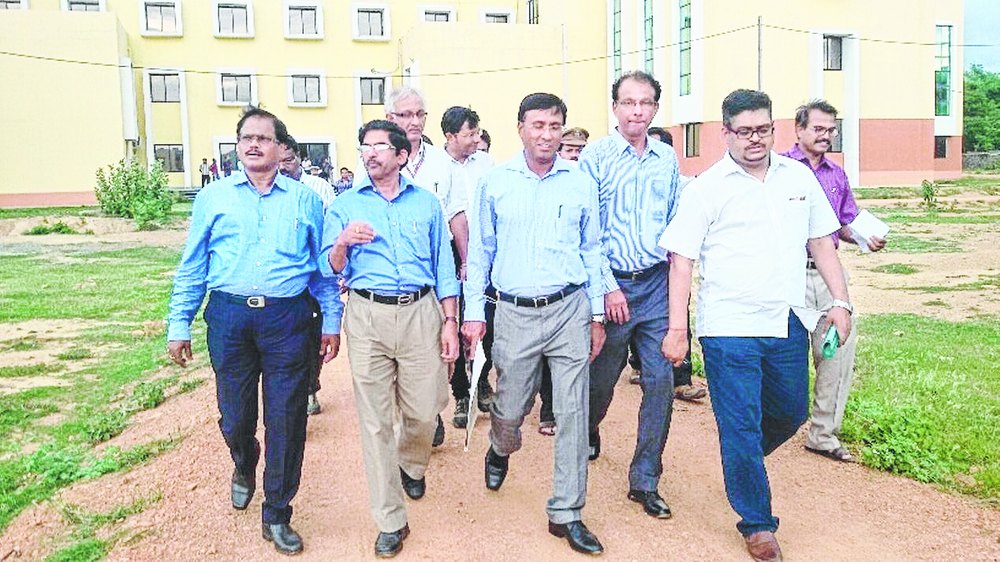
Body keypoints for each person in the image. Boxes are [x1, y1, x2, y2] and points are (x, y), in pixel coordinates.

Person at [659, 89, 852, 562]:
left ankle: (740, 459)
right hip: (728, 327)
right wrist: (677, 328)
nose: (755, 139)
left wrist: (841, 302)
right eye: (744, 131)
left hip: (785, 319)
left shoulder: (798, 178)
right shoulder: (705, 188)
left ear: (774, 129)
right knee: (742, 424)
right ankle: (758, 523)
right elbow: (681, 261)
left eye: (763, 129)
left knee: (791, 411)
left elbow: (822, 243)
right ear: (725, 133)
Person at [166, 107, 340, 556]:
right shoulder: (214, 198)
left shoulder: (305, 201)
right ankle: (244, 461)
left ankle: (277, 511)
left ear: (281, 148)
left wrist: (331, 320)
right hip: (230, 320)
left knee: (287, 418)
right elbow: (193, 265)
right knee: (235, 416)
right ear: (238, 146)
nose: (255, 145)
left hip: (288, 320)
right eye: (247, 138)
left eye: (265, 138)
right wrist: (179, 323)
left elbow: (322, 269)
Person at [463, 92, 607, 556]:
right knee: (511, 407)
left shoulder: (580, 183)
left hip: (569, 308)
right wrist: (473, 314)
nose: (547, 135)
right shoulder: (495, 183)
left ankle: (567, 511)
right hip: (514, 312)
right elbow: (481, 252)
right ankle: (500, 447)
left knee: (572, 411)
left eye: (554, 126)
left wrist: (597, 313)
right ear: (520, 128)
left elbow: (592, 250)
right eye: (538, 125)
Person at [321, 119, 459, 558]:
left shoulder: (427, 204)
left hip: (420, 312)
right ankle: (390, 519)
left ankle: (412, 463)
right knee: (376, 421)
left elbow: (444, 267)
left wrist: (450, 321)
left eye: (380, 145)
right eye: (365, 146)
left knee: (425, 409)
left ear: (402, 155)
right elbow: (328, 267)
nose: (371, 152)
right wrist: (343, 242)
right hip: (366, 315)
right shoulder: (345, 205)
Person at [577, 70, 681, 521]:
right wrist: (608, 289)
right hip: (613, 285)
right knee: (601, 380)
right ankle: (587, 428)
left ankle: (645, 479)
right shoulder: (596, 158)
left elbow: (676, 222)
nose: (637, 111)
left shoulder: (666, 158)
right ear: (615, 107)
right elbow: (587, 232)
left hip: (656, 284)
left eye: (645, 103)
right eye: (628, 102)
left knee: (661, 381)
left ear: (655, 108)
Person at [781, 99, 885, 463]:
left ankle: (823, 433)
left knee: (836, 350)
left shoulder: (836, 175)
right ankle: (772, 423)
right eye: (818, 129)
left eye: (831, 130)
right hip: (786, 275)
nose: (826, 135)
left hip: (827, 275)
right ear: (799, 129)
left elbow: (844, 221)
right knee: (781, 353)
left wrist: (864, 237)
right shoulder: (778, 168)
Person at [378, 86, 470, 447]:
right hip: (394, 268)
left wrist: (466, 260)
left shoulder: (442, 163)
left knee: (438, 340)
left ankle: (430, 410)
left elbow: (457, 214)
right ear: (390, 118)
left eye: (419, 114)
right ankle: (413, 416)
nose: (414, 121)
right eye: (405, 115)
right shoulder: (374, 159)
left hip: (438, 263)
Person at [626, 127, 707, 403]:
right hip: (636, 270)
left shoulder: (684, 185)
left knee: (678, 320)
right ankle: (638, 365)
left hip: (671, 267)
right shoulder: (631, 183)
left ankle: (681, 379)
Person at [441, 105, 496, 428]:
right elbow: (452, 213)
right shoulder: (437, 166)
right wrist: (463, 260)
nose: (476, 139)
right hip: (449, 252)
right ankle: (461, 393)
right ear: (451, 136)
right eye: (470, 134)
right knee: (454, 320)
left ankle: (483, 378)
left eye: (477, 133)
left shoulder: (486, 164)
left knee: (486, 318)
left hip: (486, 250)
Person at [535, 125, 590, 437]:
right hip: (548, 286)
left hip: (578, 285)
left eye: (580, 150)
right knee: (547, 355)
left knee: (575, 355)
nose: (575, 155)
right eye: (570, 149)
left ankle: (575, 417)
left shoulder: (586, 184)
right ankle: (548, 408)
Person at [279, 136, 338, 416]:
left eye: (288, 160)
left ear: (299, 159)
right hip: (287, 282)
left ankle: (311, 385)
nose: (283, 167)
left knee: (312, 339)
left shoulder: (319, 188)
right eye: (278, 161)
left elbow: (332, 228)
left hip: (315, 277)